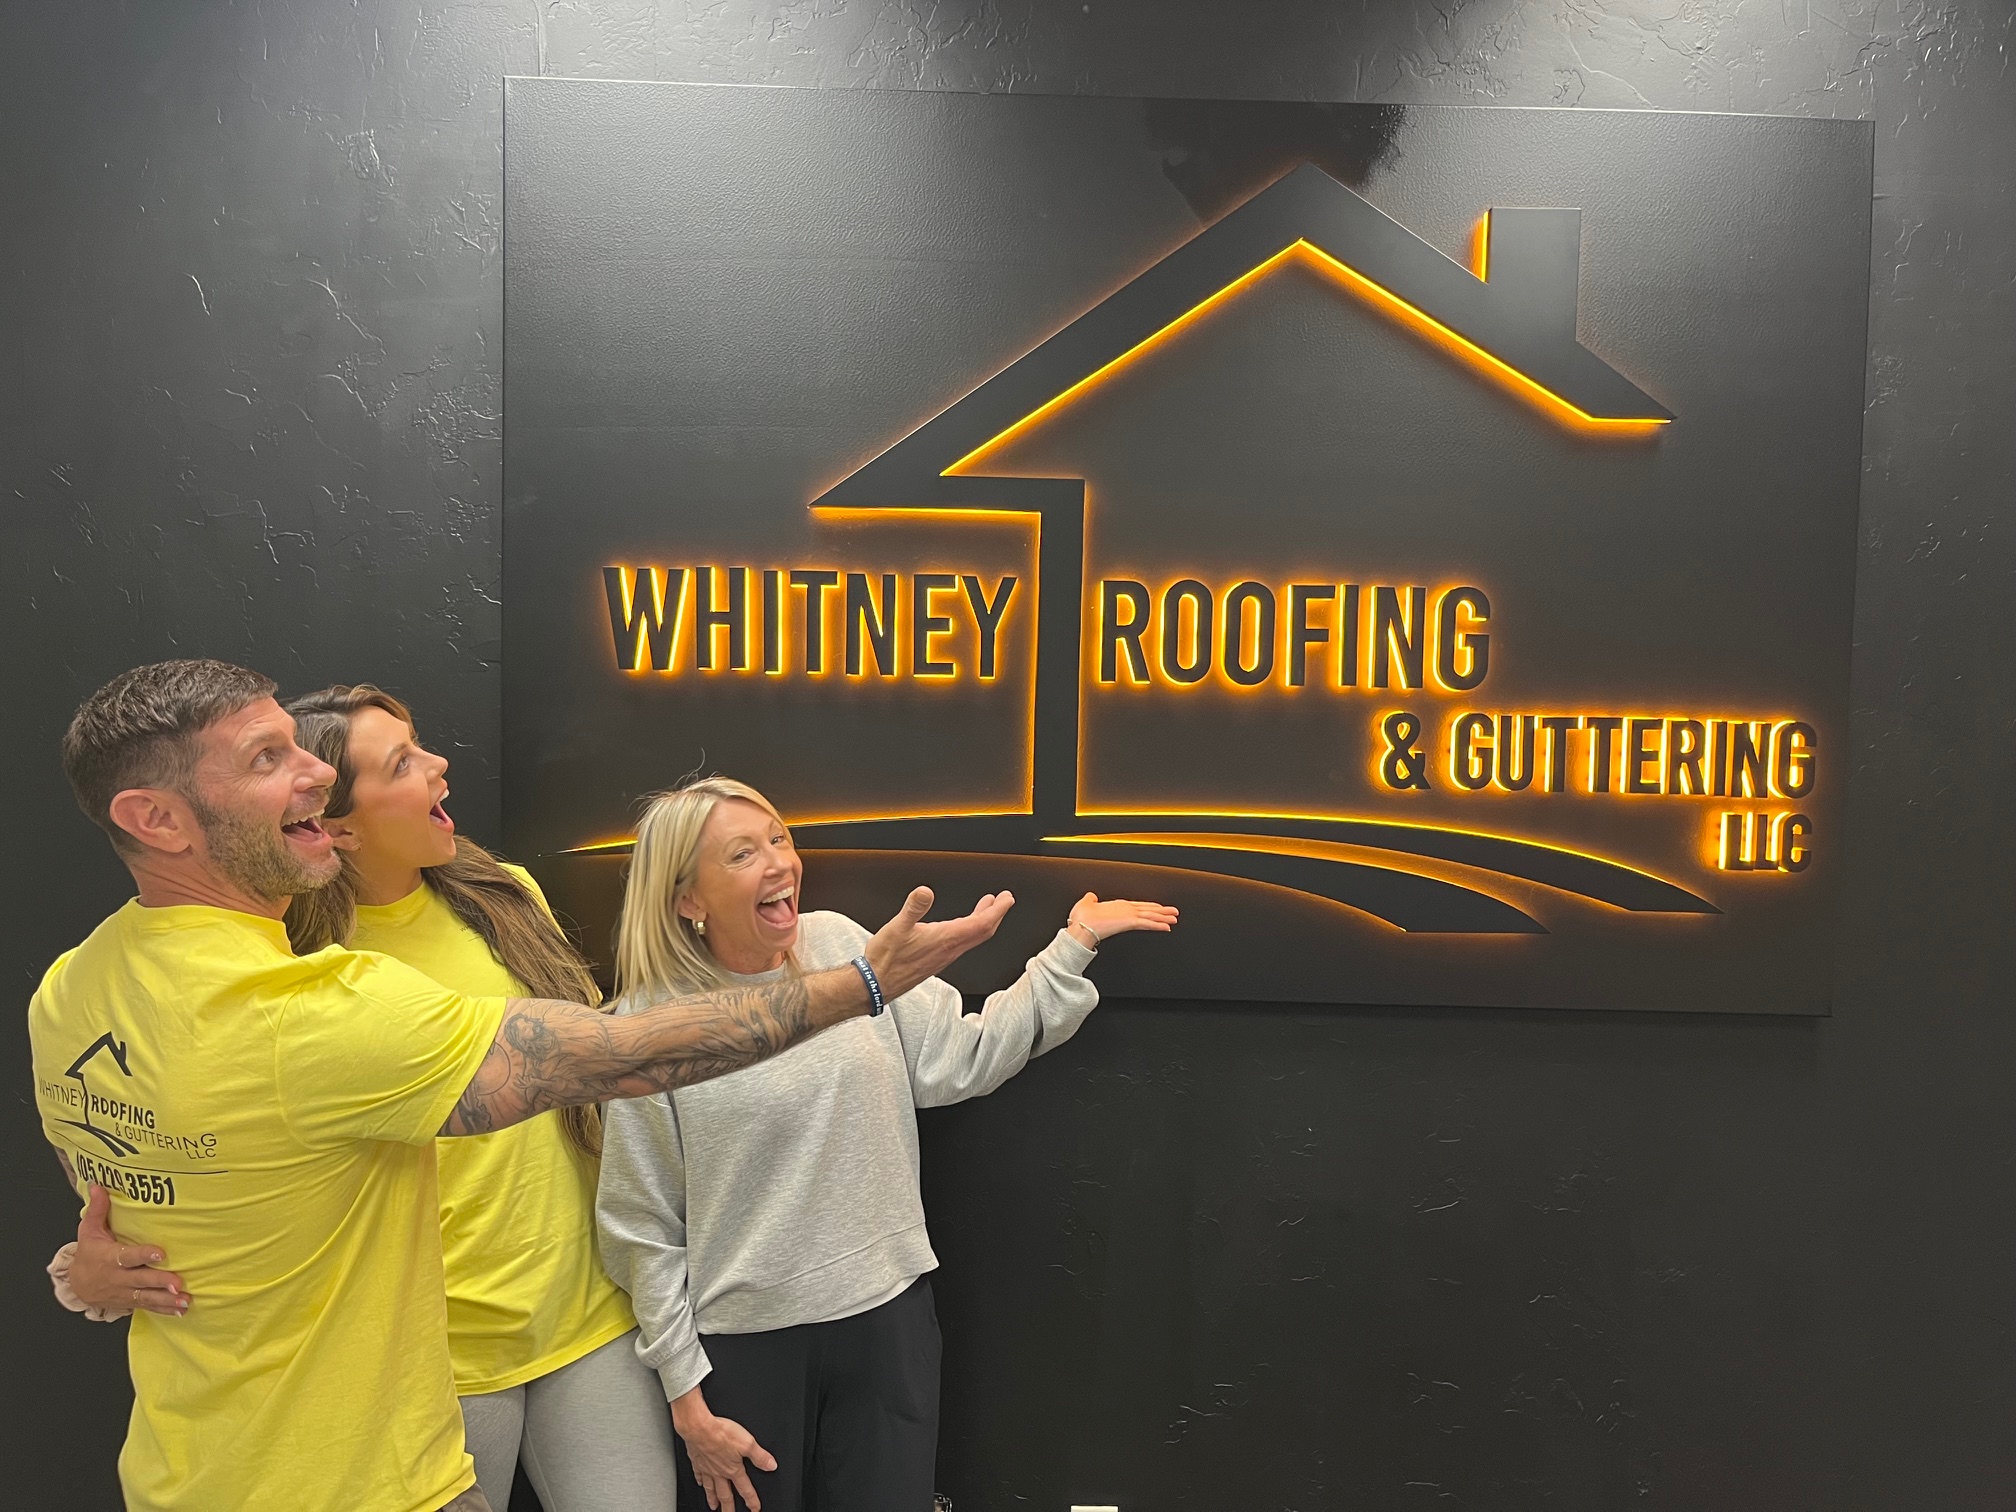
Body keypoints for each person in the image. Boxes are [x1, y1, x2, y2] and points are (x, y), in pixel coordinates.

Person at [28, 659, 1011, 1512]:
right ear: (155, 818)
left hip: (574, 1323)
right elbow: (621, 1055)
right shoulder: (316, 1002)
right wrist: (859, 984)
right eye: (267, 759)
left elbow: (151, 1154)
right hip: (420, 1388)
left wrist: (92, 1265)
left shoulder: (75, 985)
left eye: (302, 750)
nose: (315, 777)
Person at [596, 778, 1178, 1512]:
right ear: (688, 899)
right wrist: (687, 1399)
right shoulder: (646, 1026)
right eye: (743, 854)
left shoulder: (842, 945)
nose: (779, 863)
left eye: (779, 839)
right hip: (742, 1352)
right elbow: (640, 1226)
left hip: (886, 1321)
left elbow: (960, 1057)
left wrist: (1073, 946)